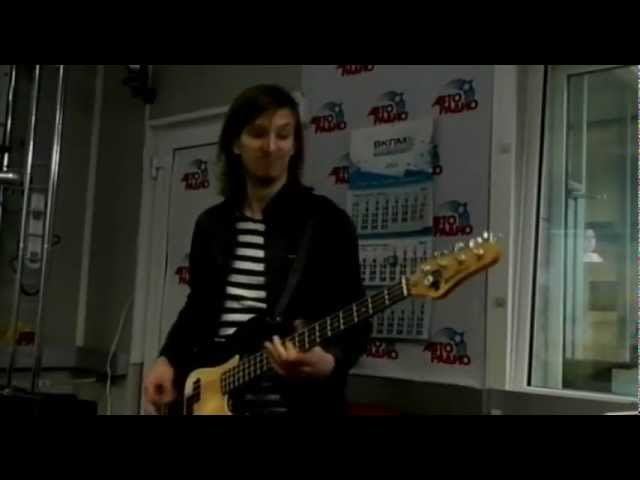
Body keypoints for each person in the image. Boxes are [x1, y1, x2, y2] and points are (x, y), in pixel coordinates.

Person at [143, 84, 371, 415]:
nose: (271, 146)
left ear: (294, 145)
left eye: (283, 135)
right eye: (258, 133)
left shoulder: (327, 223)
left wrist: (330, 361)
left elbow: (358, 321)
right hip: (213, 399)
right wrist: (167, 358)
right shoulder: (212, 225)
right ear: (236, 143)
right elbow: (198, 308)